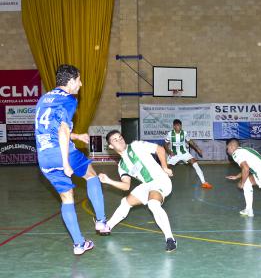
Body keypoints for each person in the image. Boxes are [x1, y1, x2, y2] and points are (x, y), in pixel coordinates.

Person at [34, 64, 109, 255]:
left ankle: (79, 244)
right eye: (79, 80)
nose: (81, 84)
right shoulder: (68, 99)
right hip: (62, 153)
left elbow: (49, 127)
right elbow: (62, 130)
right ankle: (101, 221)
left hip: (44, 158)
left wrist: (76, 136)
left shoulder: (44, 98)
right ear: (71, 80)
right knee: (91, 176)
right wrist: (66, 163)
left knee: (67, 198)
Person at [99, 130, 177, 252]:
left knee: (153, 204)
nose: (119, 140)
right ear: (110, 146)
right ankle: (107, 226)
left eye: (120, 137)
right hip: (147, 185)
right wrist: (108, 181)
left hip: (161, 180)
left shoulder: (136, 145)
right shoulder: (122, 165)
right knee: (125, 202)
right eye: (115, 140)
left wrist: (164, 167)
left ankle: (170, 239)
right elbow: (126, 186)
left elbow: (160, 149)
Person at [164, 119, 213, 189]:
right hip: (174, 154)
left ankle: (204, 182)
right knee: (165, 167)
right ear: (174, 126)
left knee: (195, 164)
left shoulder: (184, 133)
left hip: (184, 153)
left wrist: (198, 149)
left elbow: (190, 141)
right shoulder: (170, 134)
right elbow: (165, 144)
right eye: (177, 126)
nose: (179, 127)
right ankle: (159, 183)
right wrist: (169, 151)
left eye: (180, 126)